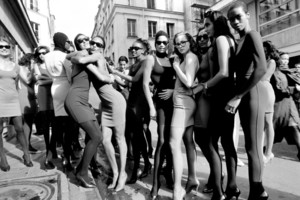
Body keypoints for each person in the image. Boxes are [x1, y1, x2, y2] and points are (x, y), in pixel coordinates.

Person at [70, 35, 128, 192]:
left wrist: (106, 76)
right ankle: (115, 173)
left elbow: (81, 61)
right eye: (92, 42)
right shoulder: (96, 57)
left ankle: (122, 174)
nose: (94, 45)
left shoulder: (96, 55)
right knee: (106, 141)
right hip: (107, 105)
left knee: (120, 139)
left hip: (115, 102)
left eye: (98, 44)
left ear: (102, 47)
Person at [227, 2, 269, 199]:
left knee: (253, 148)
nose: (235, 22)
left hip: (253, 93)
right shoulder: (241, 39)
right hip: (245, 94)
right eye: (231, 19)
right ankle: (258, 191)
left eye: (238, 17)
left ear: (248, 15)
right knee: (250, 147)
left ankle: (258, 191)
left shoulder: (253, 35)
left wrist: (238, 96)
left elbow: (261, 68)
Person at [194, 11, 237, 200]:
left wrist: (204, 86)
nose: (205, 28)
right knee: (227, 143)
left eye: (207, 25)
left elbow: (224, 72)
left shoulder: (220, 39)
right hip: (227, 95)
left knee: (212, 142)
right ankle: (232, 188)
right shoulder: (229, 39)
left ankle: (219, 191)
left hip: (221, 96)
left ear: (216, 24)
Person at [109, 38, 152, 184]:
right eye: (132, 48)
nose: (133, 50)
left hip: (141, 103)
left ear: (144, 50)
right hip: (132, 101)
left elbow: (134, 80)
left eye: (136, 48)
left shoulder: (146, 61)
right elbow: (126, 84)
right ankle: (145, 164)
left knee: (138, 136)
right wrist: (112, 78)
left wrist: (116, 72)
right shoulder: (134, 63)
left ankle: (138, 169)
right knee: (134, 136)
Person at [65, 33, 103, 188]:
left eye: (87, 39)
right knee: (96, 136)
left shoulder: (86, 54)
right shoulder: (81, 54)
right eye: (80, 41)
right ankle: (82, 173)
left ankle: (80, 169)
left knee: (95, 136)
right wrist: (97, 55)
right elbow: (74, 58)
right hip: (75, 100)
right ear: (77, 44)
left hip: (83, 101)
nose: (85, 42)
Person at [142, 30, 175, 199]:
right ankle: (155, 183)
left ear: (168, 43)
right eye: (159, 42)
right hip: (161, 104)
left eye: (164, 42)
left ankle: (168, 174)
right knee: (162, 141)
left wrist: (173, 91)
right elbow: (145, 84)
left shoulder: (172, 59)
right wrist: (151, 107)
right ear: (155, 44)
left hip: (175, 103)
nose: (162, 44)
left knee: (172, 141)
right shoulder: (150, 59)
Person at [169, 32, 199, 200]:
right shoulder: (186, 58)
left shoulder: (189, 58)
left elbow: (188, 82)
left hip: (182, 105)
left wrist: (175, 67)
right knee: (188, 141)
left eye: (183, 42)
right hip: (185, 103)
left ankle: (177, 189)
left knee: (174, 144)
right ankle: (193, 178)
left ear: (189, 42)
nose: (180, 45)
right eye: (177, 43)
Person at [0, 36, 33, 171]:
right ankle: (3, 159)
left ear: (10, 48)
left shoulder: (16, 66)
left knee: (19, 128)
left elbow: (28, 80)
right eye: (0, 46)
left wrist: (34, 66)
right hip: (0, 101)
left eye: (6, 46)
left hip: (13, 101)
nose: (3, 48)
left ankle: (26, 155)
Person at [44, 32, 74, 171]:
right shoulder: (64, 56)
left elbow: (50, 74)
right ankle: (66, 158)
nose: (68, 43)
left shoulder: (47, 56)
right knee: (68, 126)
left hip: (54, 87)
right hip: (65, 87)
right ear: (62, 41)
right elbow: (70, 76)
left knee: (56, 125)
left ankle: (48, 156)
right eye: (67, 41)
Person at [271, 51, 300, 161]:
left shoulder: (289, 72)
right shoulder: (274, 72)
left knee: (294, 126)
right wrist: (294, 89)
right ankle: (264, 148)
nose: (285, 61)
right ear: (278, 59)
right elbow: (278, 89)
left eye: (287, 59)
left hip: (290, 104)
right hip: (279, 105)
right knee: (274, 129)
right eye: (283, 59)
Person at [33, 45, 57, 169]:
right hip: (43, 95)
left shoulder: (52, 64)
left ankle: (52, 150)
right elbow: (37, 78)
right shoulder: (36, 65)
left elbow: (56, 79)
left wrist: (43, 80)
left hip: (54, 94)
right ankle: (49, 151)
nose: (42, 55)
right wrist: (49, 79)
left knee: (56, 125)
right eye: (39, 53)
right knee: (46, 125)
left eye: (44, 52)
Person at [18, 53, 41, 154]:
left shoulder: (30, 69)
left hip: (31, 98)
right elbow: (27, 80)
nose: (35, 62)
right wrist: (32, 68)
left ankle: (28, 144)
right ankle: (26, 146)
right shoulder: (21, 68)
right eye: (34, 60)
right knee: (26, 122)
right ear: (29, 60)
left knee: (30, 123)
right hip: (23, 97)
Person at [262, 40, 277, 164]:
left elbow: (264, 77)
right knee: (261, 124)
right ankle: (261, 151)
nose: (263, 50)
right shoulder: (260, 60)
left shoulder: (271, 62)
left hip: (266, 92)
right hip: (259, 91)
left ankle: (269, 152)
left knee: (268, 123)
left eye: (264, 48)